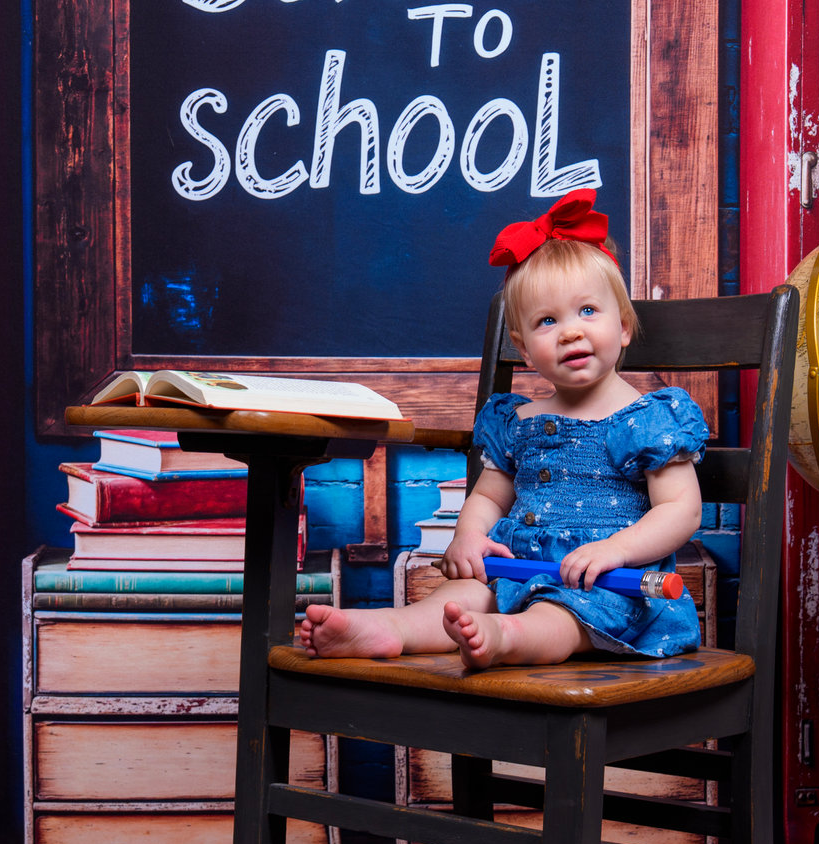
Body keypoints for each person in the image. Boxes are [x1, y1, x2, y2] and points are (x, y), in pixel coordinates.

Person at [300, 188, 708, 669]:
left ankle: (505, 637)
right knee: (460, 593)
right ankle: (387, 628)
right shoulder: (517, 422)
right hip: (519, 566)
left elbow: (682, 510)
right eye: (547, 320)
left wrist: (617, 550)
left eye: (588, 311)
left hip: (608, 585)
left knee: (560, 617)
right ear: (523, 347)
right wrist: (468, 537)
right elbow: (490, 497)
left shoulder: (647, 419)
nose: (571, 331)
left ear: (623, 326)